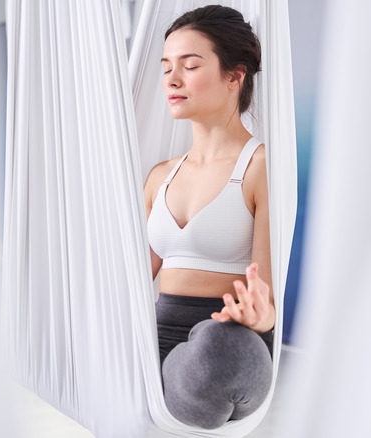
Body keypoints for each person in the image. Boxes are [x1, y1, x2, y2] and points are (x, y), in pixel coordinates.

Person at [143, 5, 274, 429]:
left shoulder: (259, 169)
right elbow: (127, 283)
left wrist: (258, 318)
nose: (172, 80)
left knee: (220, 348)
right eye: (166, 68)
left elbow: (266, 300)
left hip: (230, 343)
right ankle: (166, 384)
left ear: (235, 75)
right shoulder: (160, 177)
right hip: (159, 347)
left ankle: (186, 381)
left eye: (190, 65)